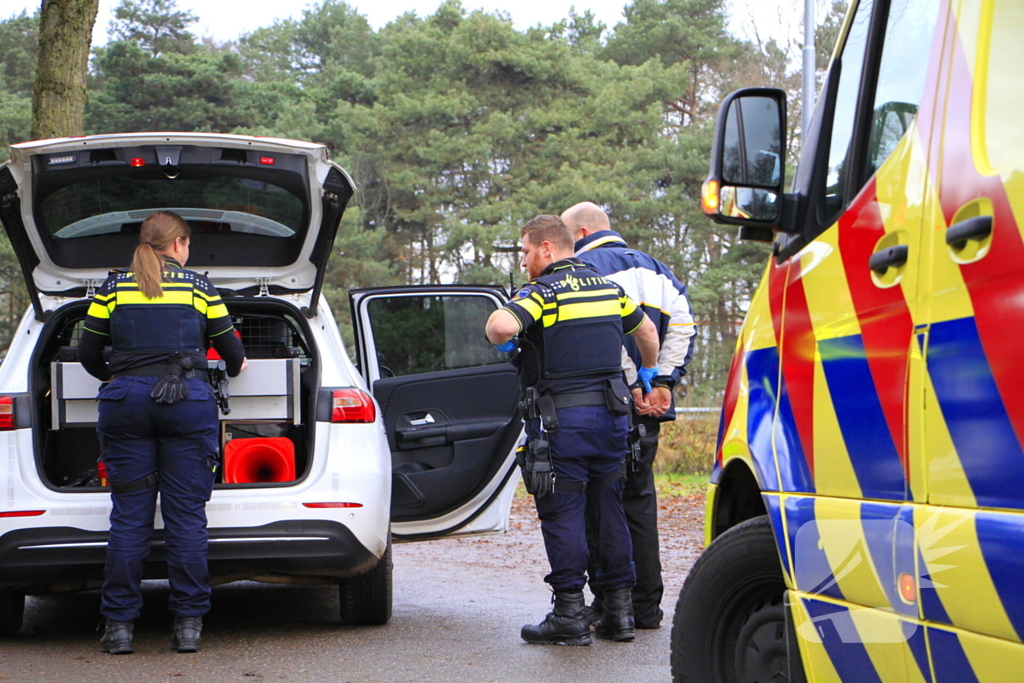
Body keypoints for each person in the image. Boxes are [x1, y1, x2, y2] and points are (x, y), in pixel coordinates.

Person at [485, 215, 660, 646]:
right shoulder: (608, 288)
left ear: (547, 248)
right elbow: (648, 332)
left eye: (525, 251)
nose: (524, 260)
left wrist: (506, 326)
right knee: (609, 511)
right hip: (613, 421)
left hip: (565, 423)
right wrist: (648, 374)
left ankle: (569, 615)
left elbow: (501, 328)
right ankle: (619, 614)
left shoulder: (543, 292)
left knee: (563, 515)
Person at [77, 211, 247, 655]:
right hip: (186, 406)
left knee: (129, 519)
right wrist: (235, 366)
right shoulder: (199, 287)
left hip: (125, 405)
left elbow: (88, 353)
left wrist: (122, 378)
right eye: (187, 243)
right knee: (186, 519)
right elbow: (232, 351)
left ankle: (119, 629)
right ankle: (188, 626)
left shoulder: (112, 289)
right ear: (178, 245)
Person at [561, 201, 696, 630]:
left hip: (606, 403)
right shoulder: (659, 270)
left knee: (600, 503)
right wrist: (662, 384)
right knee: (640, 501)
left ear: (581, 232)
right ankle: (646, 607)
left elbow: (601, 333)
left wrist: (631, 382)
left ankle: (608, 606)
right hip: (649, 407)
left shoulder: (581, 269)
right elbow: (682, 327)